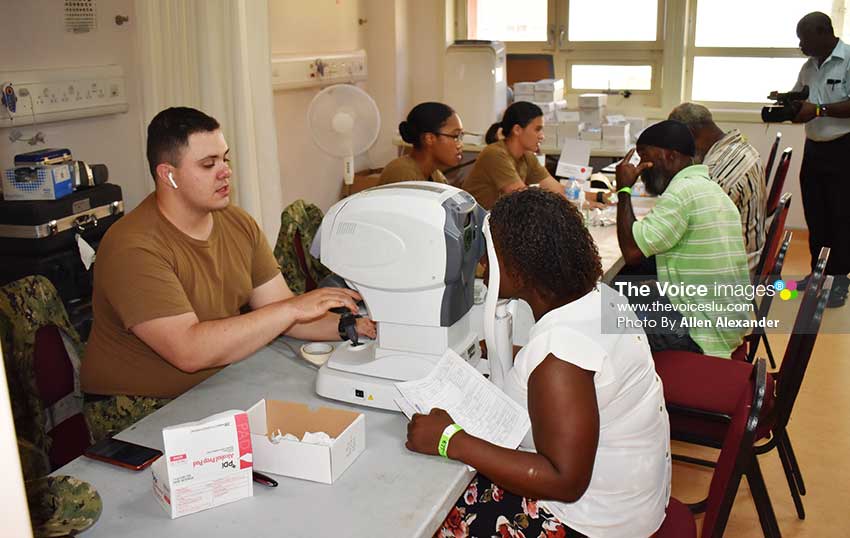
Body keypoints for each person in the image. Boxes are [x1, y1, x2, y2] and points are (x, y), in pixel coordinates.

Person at [81, 107, 375, 441]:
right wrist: (292, 307)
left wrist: (357, 327)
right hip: (140, 408)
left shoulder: (235, 222)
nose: (225, 173)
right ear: (168, 175)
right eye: (208, 165)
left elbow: (281, 313)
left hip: (216, 383)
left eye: (225, 159)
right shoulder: (133, 248)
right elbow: (189, 351)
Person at [406, 189, 671, 538]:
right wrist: (512, 354)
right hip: (635, 506)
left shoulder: (560, 356)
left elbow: (565, 481)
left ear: (518, 267)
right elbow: (582, 379)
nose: (483, 265)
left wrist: (448, 440)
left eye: (489, 257)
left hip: (587, 523)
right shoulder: (604, 300)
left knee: (431, 516)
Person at [615, 120, 752, 358]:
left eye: (645, 156)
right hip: (726, 321)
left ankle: (626, 388)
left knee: (603, 315)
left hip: (700, 332)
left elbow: (632, 252)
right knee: (622, 288)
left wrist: (624, 190)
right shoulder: (707, 188)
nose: (641, 167)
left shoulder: (681, 194)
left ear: (669, 155)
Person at [785, 11, 850, 307]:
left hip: (843, 148)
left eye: (804, 38)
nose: (800, 45)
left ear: (824, 32)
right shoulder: (808, 67)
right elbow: (803, 101)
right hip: (814, 148)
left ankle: (838, 284)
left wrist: (819, 110)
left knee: (840, 217)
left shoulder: (848, 59)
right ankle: (817, 275)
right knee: (816, 215)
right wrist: (788, 103)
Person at [669, 102, 766, 275]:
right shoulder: (737, 149)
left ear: (690, 133)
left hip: (727, 272)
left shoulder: (718, 172)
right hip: (742, 254)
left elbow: (688, 227)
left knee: (634, 268)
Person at [462, 102, 567, 210]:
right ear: (517, 129)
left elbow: (557, 190)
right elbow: (522, 199)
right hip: (476, 222)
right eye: (537, 129)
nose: (542, 136)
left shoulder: (527, 155)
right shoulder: (495, 154)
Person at [379, 102, 463, 185]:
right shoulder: (402, 174)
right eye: (455, 136)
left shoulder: (436, 175)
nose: (460, 145)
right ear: (429, 138)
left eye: (461, 136)